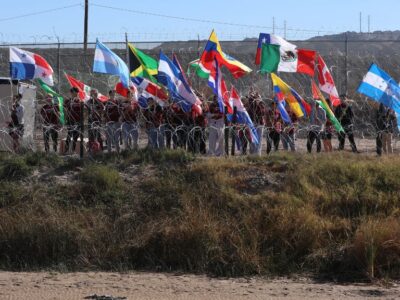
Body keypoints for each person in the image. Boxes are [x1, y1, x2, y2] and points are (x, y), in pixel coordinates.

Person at [64, 87, 82, 154]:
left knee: (75, 137)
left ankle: (73, 151)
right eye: (74, 92)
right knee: (69, 135)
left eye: (77, 92)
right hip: (70, 121)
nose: (76, 93)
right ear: (71, 93)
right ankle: (66, 150)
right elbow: (64, 109)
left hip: (77, 121)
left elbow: (83, 111)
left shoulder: (80, 101)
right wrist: (66, 119)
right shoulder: (68, 101)